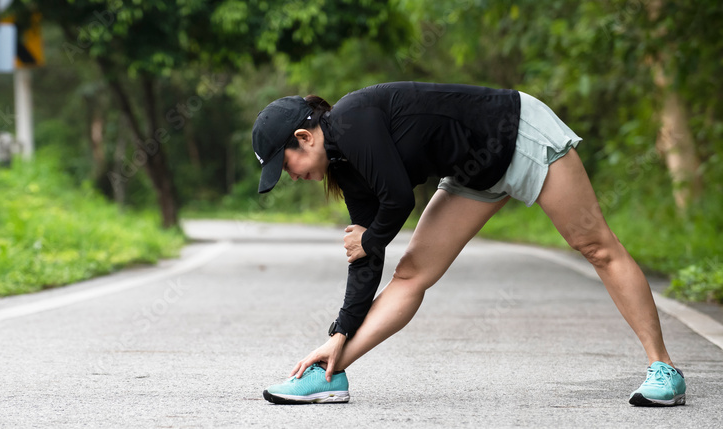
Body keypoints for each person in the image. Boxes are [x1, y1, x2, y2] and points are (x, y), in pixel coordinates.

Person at [251, 82, 686, 407]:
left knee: (595, 246)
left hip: (517, 135)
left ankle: (663, 368)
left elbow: (398, 200)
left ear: (304, 138)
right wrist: (339, 332)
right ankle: (331, 372)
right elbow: (368, 254)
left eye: (284, 165)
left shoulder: (353, 120)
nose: (289, 176)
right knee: (411, 274)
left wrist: (372, 237)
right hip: (474, 174)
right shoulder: (345, 167)